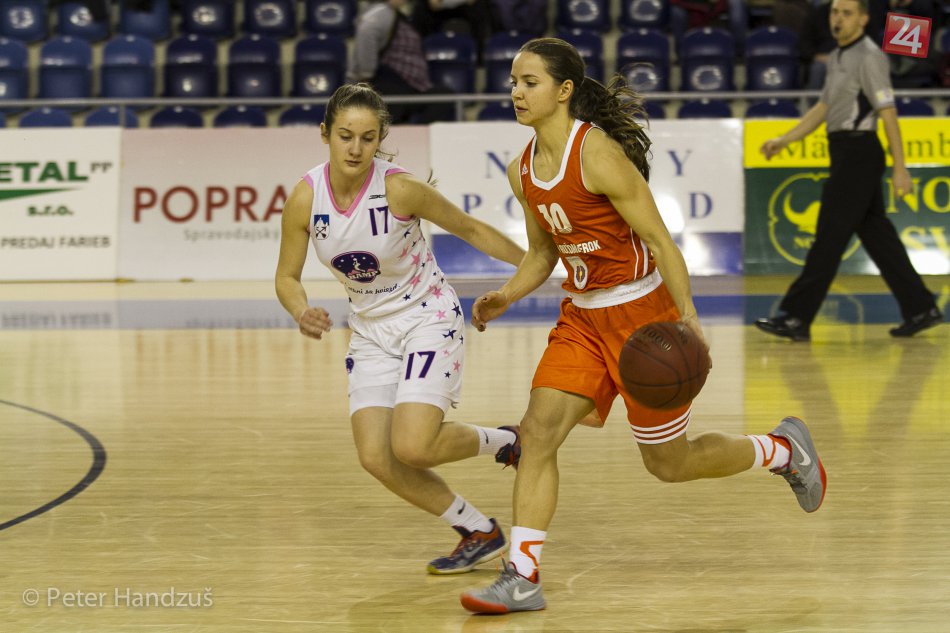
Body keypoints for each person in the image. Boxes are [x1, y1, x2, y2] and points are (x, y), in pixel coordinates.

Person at [458, 38, 827, 614]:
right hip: (582, 319)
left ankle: (780, 450)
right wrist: (505, 295)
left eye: (530, 82)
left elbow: (659, 240)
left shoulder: (598, 154)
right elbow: (543, 252)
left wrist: (689, 318)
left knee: (668, 464)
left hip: (641, 319)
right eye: (513, 82)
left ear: (564, 90)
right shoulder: (521, 169)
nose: (516, 92)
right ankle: (522, 577)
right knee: (537, 435)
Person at [275, 83, 527, 575]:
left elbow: (472, 229)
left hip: (427, 316)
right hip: (370, 331)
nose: (355, 148)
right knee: (376, 457)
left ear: (380, 139)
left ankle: (506, 440)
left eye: (368, 138)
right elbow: (286, 277)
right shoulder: (306, 197)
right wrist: (300, 310)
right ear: (325, 133)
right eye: (345, 136)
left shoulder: (400, 189)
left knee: (413, 446)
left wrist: (538, 268)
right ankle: (478, 530)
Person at [755, 0, 943, 342]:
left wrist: (901, 168)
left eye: (846, 13)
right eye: (834, 12)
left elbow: (888, 113)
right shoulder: (838, 55)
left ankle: (796, 317)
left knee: (829, 237)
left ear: (863, 19)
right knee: (878, 237)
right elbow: (824, 107)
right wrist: (785, 139)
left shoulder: (870, 56)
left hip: (859, 153)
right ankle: (921, 308)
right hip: (845, 151)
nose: (838, 19)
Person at [347, 0, 455, 124]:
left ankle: (416, 133)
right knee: (391, 102)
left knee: (443, 96)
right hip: (391, 83)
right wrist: (367, 72)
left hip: (413, 86)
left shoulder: (396, 14)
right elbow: (367, 33)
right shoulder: (381, 12)